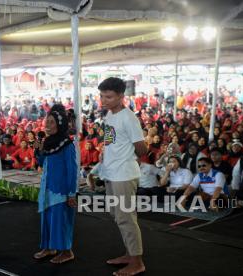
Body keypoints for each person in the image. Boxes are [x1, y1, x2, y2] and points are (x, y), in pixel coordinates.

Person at [98, 77, 147, 276]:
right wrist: (106, 151)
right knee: (117, 215)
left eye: (108, 97)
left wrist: (126, 156)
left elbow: (142, 149)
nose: (104, 100)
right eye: (102, 96)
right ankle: (130, 253)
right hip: (111, 171)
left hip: (124, 174)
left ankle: (137, 261)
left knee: (126, 218)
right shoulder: (110, 114)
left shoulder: (129, 118)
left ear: (121, 96)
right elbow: (110, 139)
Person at [34, 104, 77, 264]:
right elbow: (40, 161)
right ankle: (48, 247)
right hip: (47, 188)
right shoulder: (46, 142)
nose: (47, 125)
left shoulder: (67, 145)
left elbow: (72, 170)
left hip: (61, 190)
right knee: (47, 218)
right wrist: (38, 148)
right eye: (47, 122)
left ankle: (66, 251)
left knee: (61, 220)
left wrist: (71, 192)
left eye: (51, 122)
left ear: (60, 124)